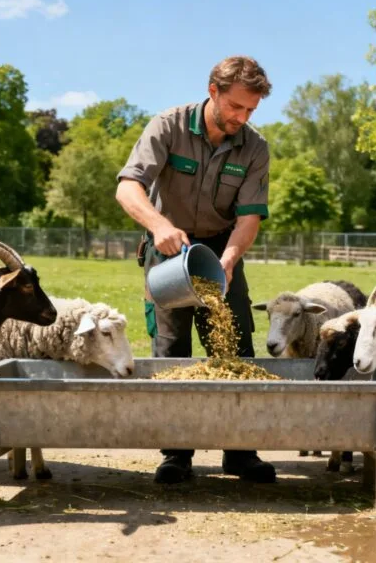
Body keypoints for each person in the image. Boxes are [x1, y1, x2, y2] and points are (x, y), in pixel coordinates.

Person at [115, 55, 275, 484]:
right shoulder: (167, 126)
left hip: (222, 250)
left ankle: (240, 452)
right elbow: (128, 187)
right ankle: (176, 454)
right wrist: (159, 226)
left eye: (251, 110)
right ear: (213, 92)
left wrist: (229, 260)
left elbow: (249, 218)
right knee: (172, 351)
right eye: (236, 106)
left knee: (235, 348)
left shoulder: (255, 147)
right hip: (169, 246)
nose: (242, 117)